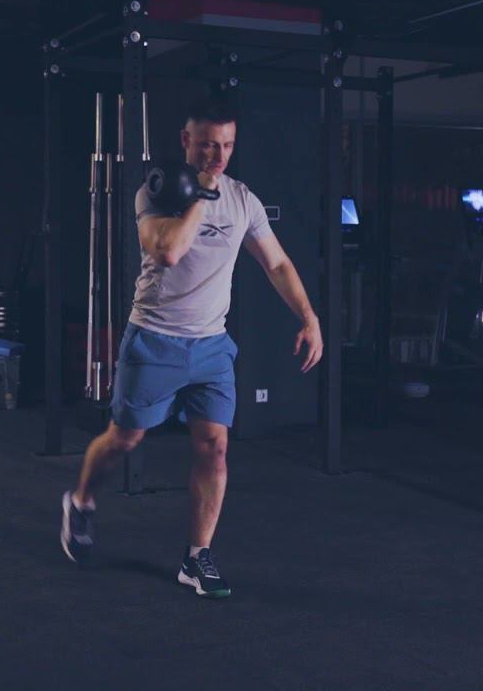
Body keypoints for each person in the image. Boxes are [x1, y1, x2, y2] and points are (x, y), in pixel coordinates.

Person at [60, 96, 323, 598]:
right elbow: (170, 251)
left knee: (215, 447)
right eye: (207, 145)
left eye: (226, 145)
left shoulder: (242, 199)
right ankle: (81, 502)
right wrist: (201, 193)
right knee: (124, 440)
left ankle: (197, 556)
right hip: (154, 340)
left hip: (211, 347)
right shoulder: (155, 192)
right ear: (186, 141)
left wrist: (309, 318)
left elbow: (277, 264)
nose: (217, 156)